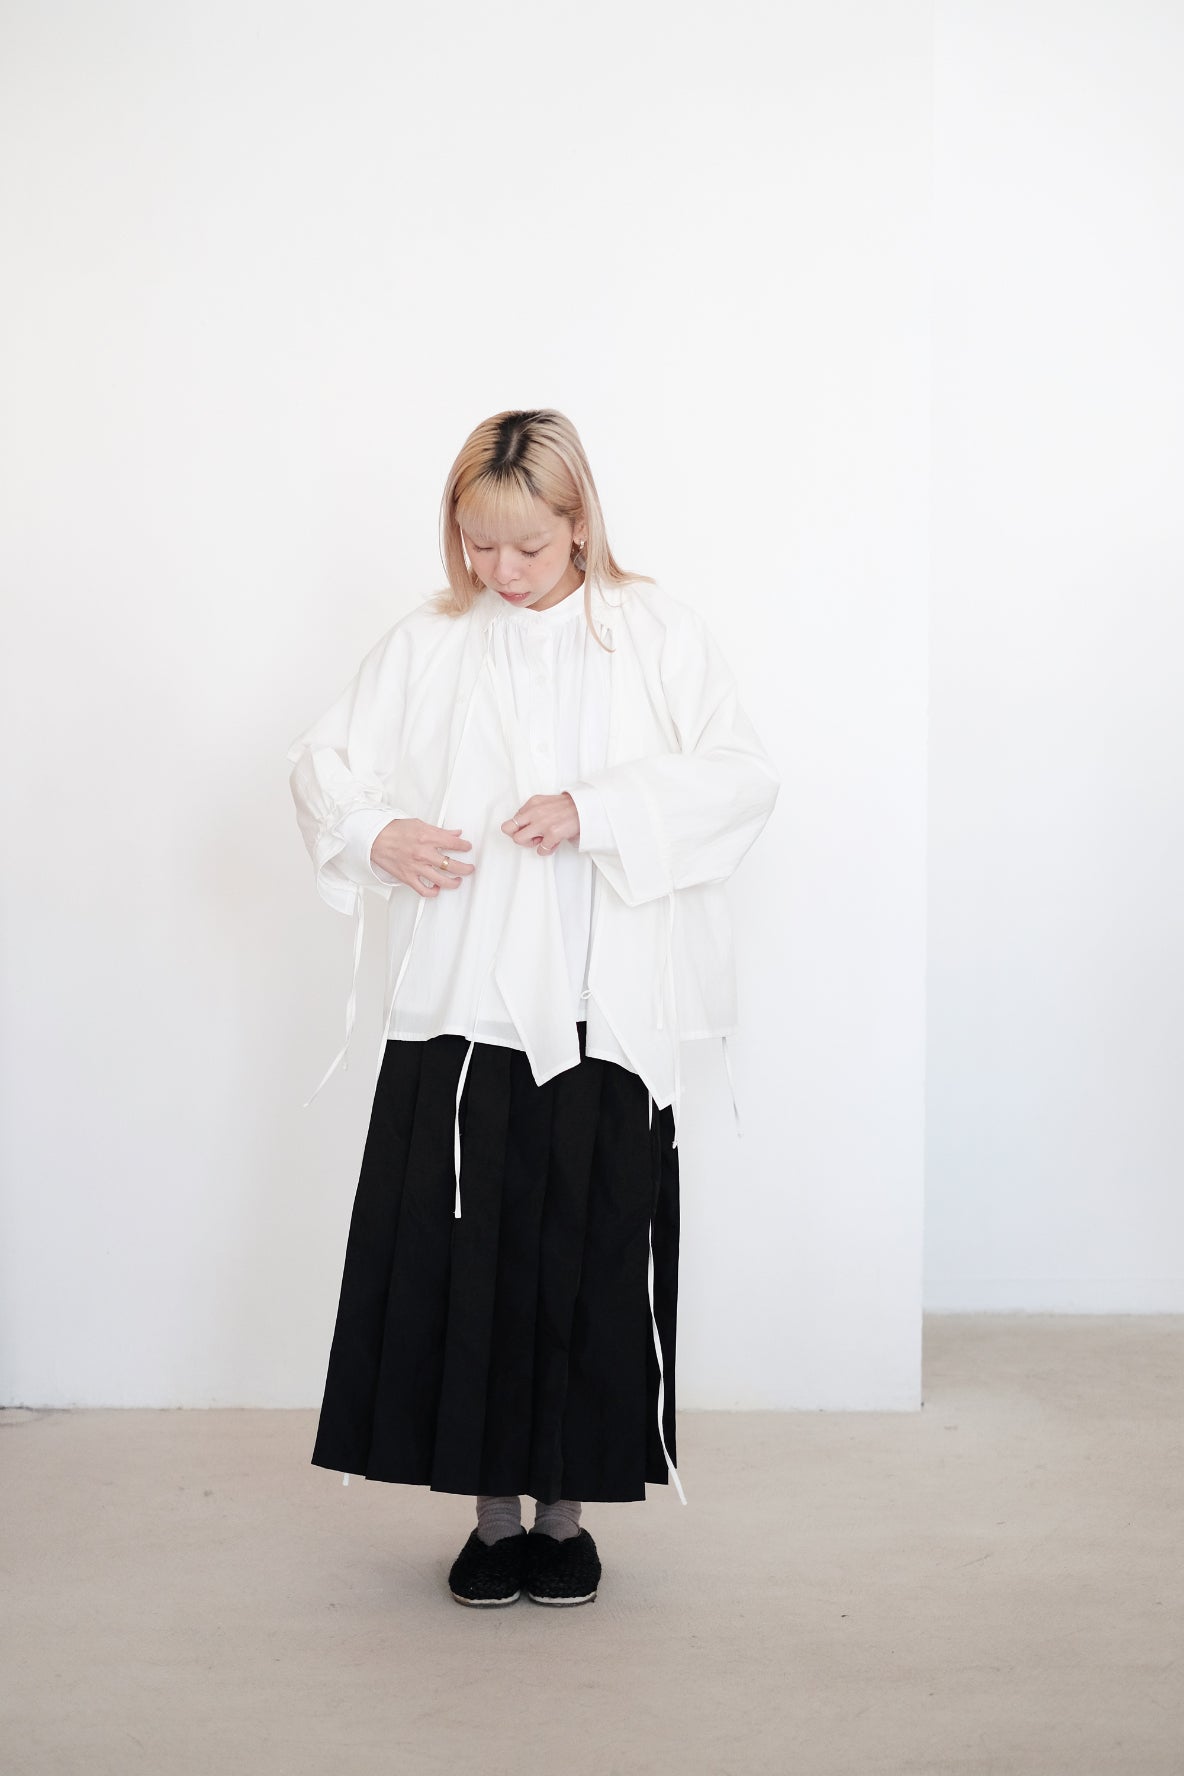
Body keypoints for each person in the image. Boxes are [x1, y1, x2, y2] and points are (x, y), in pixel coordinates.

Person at [287, 408, 780, 1609]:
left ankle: (566, 1518)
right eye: (475, 544)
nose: (498, 571)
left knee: (588, 1256)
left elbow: (740, 778)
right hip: (464, 1006)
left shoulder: (653, 632)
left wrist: (596, 810)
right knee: (469, 1262)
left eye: (524, 546)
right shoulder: (431, 638)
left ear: (577, 523)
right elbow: (321, 763)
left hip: (606, 1009)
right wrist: (374, 833)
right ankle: (491, 1519)